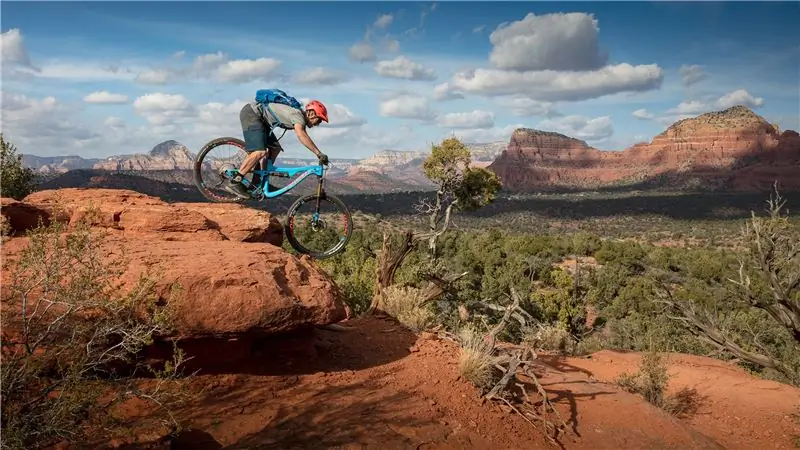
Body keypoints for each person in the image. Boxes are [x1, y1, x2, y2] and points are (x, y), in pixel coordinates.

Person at [223, 95, 330, 199]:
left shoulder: (299, 117)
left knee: (275, 149)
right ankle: (235, 181)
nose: (318, 123)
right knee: (260, 152)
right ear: (312, 114)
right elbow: (301, 135)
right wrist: (318, 153)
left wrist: (318, 153)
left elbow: (304, 135)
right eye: (319, 120)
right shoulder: (297, 116)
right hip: (252, 113)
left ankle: (258, 183)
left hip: (262, 120)